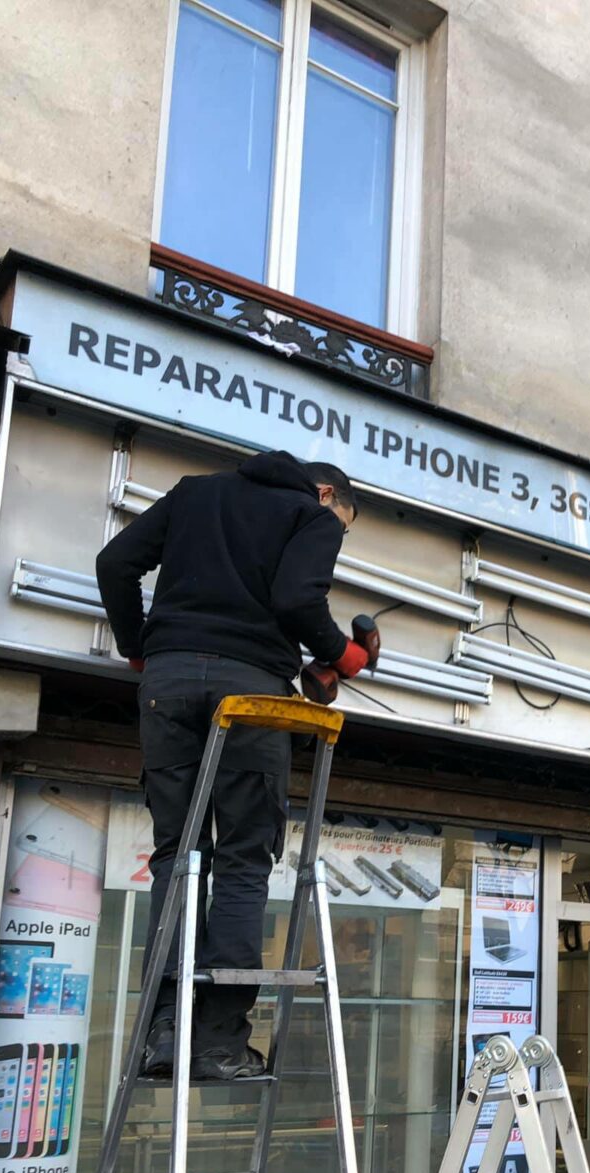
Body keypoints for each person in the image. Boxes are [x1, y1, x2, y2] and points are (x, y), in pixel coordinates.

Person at [96, 451, 377, 1081]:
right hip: (249, 690)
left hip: (167, 683)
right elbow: (296, 598)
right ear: (326, 491)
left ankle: (164, 1032)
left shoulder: (194, 492)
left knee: (177, 852)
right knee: (244, 857)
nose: (336, 528)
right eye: (343, 520)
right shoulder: (313, 513)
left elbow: (114, 564)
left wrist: (140, 646)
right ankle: (219, 1042)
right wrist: (343, 655)